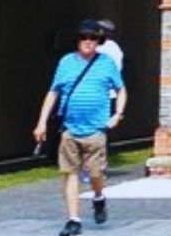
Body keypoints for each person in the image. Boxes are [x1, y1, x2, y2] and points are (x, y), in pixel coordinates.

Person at [34, 21, 126, 235]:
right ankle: (73, 219)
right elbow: (53, 93)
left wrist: (117, 114)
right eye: (84, 38)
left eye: (93, 38)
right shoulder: (66, 62)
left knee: (96, 173)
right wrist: (41, 122)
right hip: (69, 128)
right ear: (77, 40)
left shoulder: (106, 63)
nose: (88, 42)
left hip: (96, 129)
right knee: (70, 173)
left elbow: (121, 90)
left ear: (99, 42)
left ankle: (98, 197)